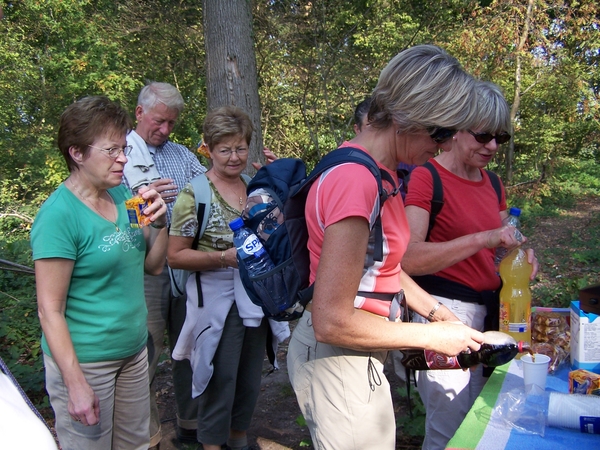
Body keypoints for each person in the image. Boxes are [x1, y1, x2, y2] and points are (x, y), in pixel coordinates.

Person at [286, 44, 487, 450]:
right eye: (441, 132)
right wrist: (430, 338)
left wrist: (436, 312)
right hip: (337, 354)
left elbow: (385, 266)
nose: (445, 146)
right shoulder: (355, 179)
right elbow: (331, 319)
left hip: (359, 350)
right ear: (406, 117)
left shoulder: (383, 173)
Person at [402, 80, 539, 450]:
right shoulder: (426, 177)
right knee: (449, 430)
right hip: (445, 313)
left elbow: (503, 245)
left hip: (494, 313)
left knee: (485, 420)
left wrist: (521, 258)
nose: (492, 146)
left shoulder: (493, 183)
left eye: (500, 138)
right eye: (483, 136)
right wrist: (484, 238)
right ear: (457, 128)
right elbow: (408, 258)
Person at [30, 96, 168, 450]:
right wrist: (75, 383)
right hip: (87, 363)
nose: (123, 157)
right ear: (77, 152)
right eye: (111, 150)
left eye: (123, 148)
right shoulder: (59, 216)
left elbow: (152, 266)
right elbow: (50, 310)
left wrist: (162, 222)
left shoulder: (125, 196)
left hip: (134, 354)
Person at [168, 106, 270, 450]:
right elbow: (175, 255)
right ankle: (211, 444)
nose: (234, 156)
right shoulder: (194, 194)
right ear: (209, 149)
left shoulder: (254, 188)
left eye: (240, 147)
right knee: (218, 376)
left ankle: (238, 438)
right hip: (213, 299)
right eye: (224, 149)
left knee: (248, 379)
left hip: (253, 296)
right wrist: (223, 258)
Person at [123, 81, 207, 446]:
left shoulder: (181, 154)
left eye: (171, 123)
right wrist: (141, 202)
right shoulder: (119, 153)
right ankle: (150, 436)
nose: (165, 130)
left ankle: (189, 426)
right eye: (159, 121)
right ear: (139, 113)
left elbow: (209, 187)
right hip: (143, 268)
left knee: (188, 348)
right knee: (145, 353)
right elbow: (110, 215)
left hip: (184, 263)